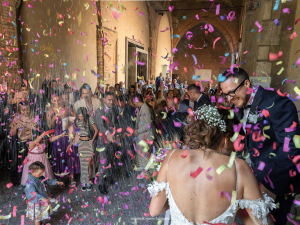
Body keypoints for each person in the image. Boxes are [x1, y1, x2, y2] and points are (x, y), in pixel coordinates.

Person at [148, 105, 275, 224]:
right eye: (236, 140)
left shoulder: (172, 157)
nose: (236, 148)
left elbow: (155, 210)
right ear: (226, 140)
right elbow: (262, 222)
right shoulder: (239, 168)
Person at [220, 67, 300, 224]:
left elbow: (292, 149)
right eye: (225, 94)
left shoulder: (277, 103)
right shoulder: (240, 105)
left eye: (231, 92)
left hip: (278, 184)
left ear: (247, 84)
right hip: (255, 178)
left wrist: (270, 186)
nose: (229, 99)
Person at [94, 92, 117, 194]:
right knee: (103, 163)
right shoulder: (99, 111)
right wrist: (108, 133)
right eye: (109, 100)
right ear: (104, 100)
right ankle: (101, 184)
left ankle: (108, 177)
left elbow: (113, 124)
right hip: (102, 142)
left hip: (111, 140)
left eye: (112, 100)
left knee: (111, 160)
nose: (111, 102)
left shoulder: (112, 110)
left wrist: (115, 134)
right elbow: (100, 125)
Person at [74, 107, 98, 191]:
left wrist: (92, 140)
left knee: (89, 163)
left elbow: (96, 130)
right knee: (83, 163)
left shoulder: (90, 119)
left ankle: (88, 181)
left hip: (89, 143)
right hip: (81, 143)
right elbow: (76, 132)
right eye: (79, 116)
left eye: (82, 116)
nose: (81, 118)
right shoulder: (77, 121)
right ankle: (83, 181)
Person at [132, 94, 154, 178]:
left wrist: (138, 131)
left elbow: (148, 125)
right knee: (141, 151)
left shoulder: (145, 109)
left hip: (145, 134)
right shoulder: (140, 108)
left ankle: (145, 171)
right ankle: (141, 167)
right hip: (140, 134)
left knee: (144, 153)